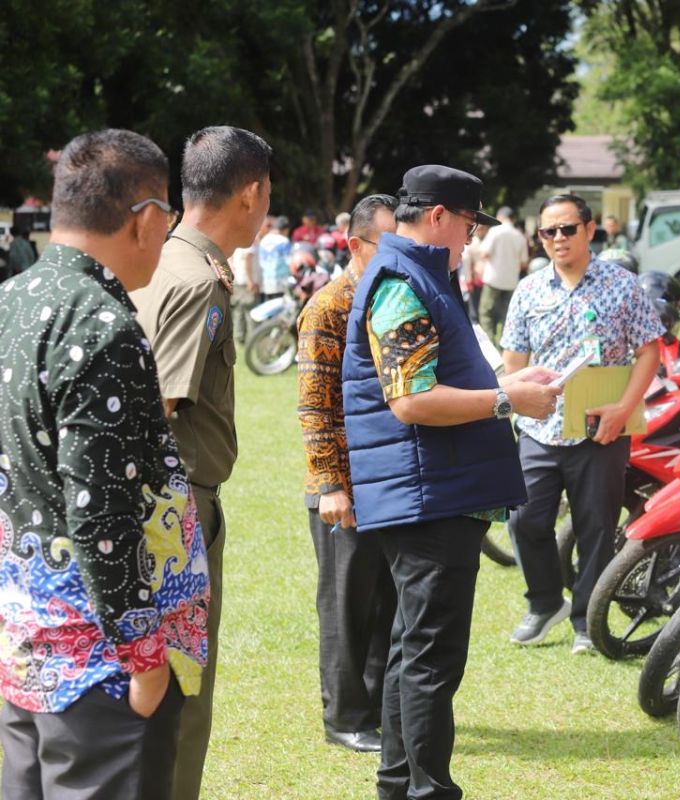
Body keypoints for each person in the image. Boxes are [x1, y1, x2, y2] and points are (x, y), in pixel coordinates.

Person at [0, 129, 208, 800]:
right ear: (147, 220)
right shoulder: (101, 325)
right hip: (96, 657)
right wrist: (143, 654)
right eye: (169, 215)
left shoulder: (11, 303)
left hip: (23, 632)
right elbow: (101, 515)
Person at [342, 165, 560, 800]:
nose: (472, 240)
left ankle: (399, 785)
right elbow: (411, 401)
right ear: (439, 216)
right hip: (426, 496)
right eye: (469, 224)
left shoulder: (418, 275)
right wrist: (506, 399)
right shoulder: (401, 282)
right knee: (431, 663)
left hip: (430, 491)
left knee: (415, 656)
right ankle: (427, 790)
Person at [131, 125, 272, 800]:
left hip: (145, 505)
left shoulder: (154, 261)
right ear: (251, 192)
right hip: (175, 508)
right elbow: (160, 405)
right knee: (184, 698)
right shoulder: (198, 279)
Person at [501, 193, 665, 653]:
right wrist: (520, 386)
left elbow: (649, 349)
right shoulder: (528, 290)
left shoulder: (623, 285)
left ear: (590, 230)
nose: (558, 239)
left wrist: (623, 409)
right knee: (524, 520)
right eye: (548, 232)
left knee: (596, 527)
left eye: (567, 229)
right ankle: (544, 602)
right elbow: (513, 360)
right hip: (541, 428)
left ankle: (584, 621)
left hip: (602, 428)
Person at [297, 193, 399, 755]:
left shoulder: (386, 299)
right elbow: (314, 406)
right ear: (356, 245)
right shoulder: (329, 307)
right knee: (344, 604)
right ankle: (344, 716)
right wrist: (331, 484)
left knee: (383, 599)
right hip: (343, 486)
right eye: (388, 243)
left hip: (385, 479)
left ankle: (376, 704)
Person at [478, 205, 529, 344]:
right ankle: (503, 344)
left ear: (500, 217)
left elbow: (483, 253)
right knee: (506, 316)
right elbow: (524, 263)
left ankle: (490, 345)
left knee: (486, 313)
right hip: (511, 282)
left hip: (493, 279)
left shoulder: (495, 231)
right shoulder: (520, 235)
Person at [229, 222, 263, 345]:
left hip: (238, 280)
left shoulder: (237, 240)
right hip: (247, 281)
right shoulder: (250, 241)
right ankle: (252, 338)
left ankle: (239, 337)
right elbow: (248, 261)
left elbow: (230, 259)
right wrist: (251, 281)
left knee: (239, 310)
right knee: (251, 311)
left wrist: (234, 273)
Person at [258, 215, 292, 299]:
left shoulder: (263, 241)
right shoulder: (284, 241)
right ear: (286, 230)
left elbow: (261, 261)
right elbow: (289, 261)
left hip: (267, 282)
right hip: (282, 282)